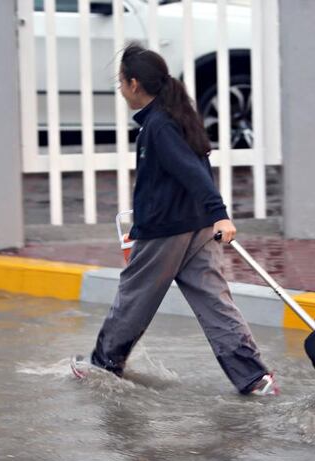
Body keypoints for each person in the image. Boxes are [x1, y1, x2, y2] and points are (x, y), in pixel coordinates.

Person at [70, 43, 278, 396]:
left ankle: (103, 365)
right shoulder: (175, 117)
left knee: (133, 298)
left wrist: (220, 214)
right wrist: (211, 216)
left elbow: (191, 172)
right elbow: (192, 168)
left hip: (168, 231)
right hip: (196, 229)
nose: (120, 90)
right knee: (215, 303)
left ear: (135, 84)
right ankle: (254, 378)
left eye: (121, 83)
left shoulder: (160, 126)